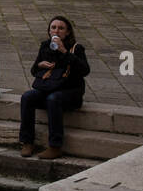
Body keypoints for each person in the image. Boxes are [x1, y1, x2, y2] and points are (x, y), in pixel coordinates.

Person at [18, 16, 90, 160]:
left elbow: (84, 70)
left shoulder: (76, 48)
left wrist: (64, 51)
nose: (56, 31)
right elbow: (33, 71)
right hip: (48, 87)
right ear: (49, 31)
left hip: (70, 92)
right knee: (27, 97)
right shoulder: (45, 46)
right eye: (53, 28)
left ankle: (55, 146)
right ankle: (27, 142)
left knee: (53, 99)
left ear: (68, 32)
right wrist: (40, 65)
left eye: (61, 28)